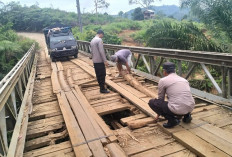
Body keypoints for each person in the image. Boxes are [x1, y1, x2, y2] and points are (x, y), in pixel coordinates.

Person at [148, 62, 195, 128]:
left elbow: (160, 99)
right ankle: (187, 115)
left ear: (164, 71)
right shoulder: (184, 80)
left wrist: (158, 113)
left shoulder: (163, 80)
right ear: (175, 71)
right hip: (191, 107)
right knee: (183, 98)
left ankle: (172, 120)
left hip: (177, 109)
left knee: (152, 102)